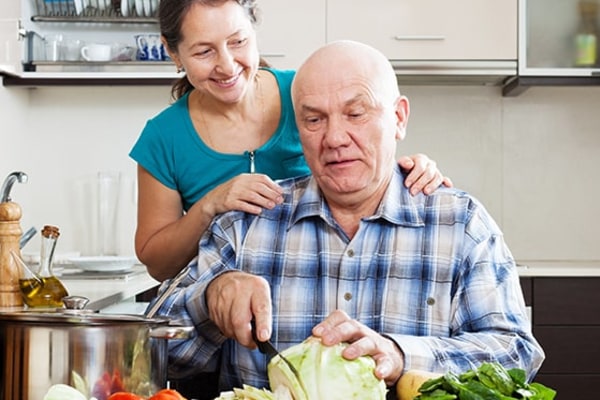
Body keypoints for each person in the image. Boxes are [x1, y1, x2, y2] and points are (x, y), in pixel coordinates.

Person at [150, 40, 545, 397]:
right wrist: (208, 300)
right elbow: (148, 352)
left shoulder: (460, 225)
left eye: (356, 113)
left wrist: (401, 355)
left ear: (399, 118)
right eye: (314, 119)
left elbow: (515, 353)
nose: (335, 138)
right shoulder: (248, 221)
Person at [129, 0, 451, 283]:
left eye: (238, 41)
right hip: (219, 310)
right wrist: (211, 204)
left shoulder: (307, 95)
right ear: (174, 53)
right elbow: (158, 264)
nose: (227, 65)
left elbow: (366, 158)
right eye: (204, 51)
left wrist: (412, 169)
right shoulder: (163, 138)